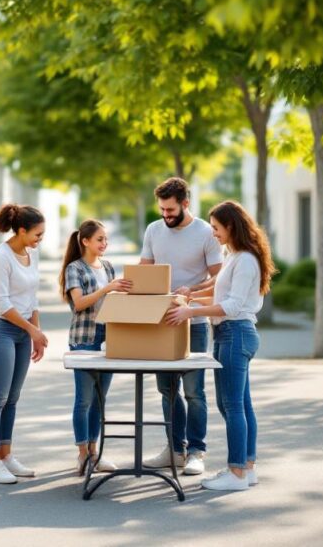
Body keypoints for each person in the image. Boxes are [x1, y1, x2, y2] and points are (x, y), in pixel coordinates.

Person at [166, 200, 275, 490]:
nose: (213, 233)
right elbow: (220, 296)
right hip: (230, 333)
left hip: (235, 333)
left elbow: (231, 306)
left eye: (216, 228)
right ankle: (246, 468)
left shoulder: (246, 260)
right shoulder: (234, 255)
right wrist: (190, 299)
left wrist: (190, 312)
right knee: (240, 405)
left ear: (231, 226)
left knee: (233, 406)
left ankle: (236, 473)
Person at [140, 177, 223, 475]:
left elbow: (219, 277)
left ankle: (196, 451)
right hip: (161, 321)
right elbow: (145, 273)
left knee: (193, 391)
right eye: (162, 209)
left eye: (171, 210)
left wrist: (192, 290)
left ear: (186, 203)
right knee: (167, 389)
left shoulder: (206, 233)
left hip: (194, 320)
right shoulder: (153, 230)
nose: (166, 215)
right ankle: (175, 450)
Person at [0, 203, 48, 484]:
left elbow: (32, 297)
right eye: (37, 234)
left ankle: (7, 456)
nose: (40, 239)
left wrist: (36, 333)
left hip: (22, 331)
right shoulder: (1, 257)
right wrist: (31, 330)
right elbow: (0, 302)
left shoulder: (32, 254)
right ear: (21, 230)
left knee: (13, 397)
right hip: (0, 328)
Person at [60, 219, 132, 475]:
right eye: (100, 239)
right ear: (85, 241)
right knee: (84, 399)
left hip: (109, 337)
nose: (104, 244)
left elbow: (113, 302)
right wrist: (107, 289)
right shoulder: (74, 268)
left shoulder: (108, 266)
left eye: (106, 239)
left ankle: (95, 452)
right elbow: (79, 304)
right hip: (85, 338)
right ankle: (82, 454)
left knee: (100, 400)